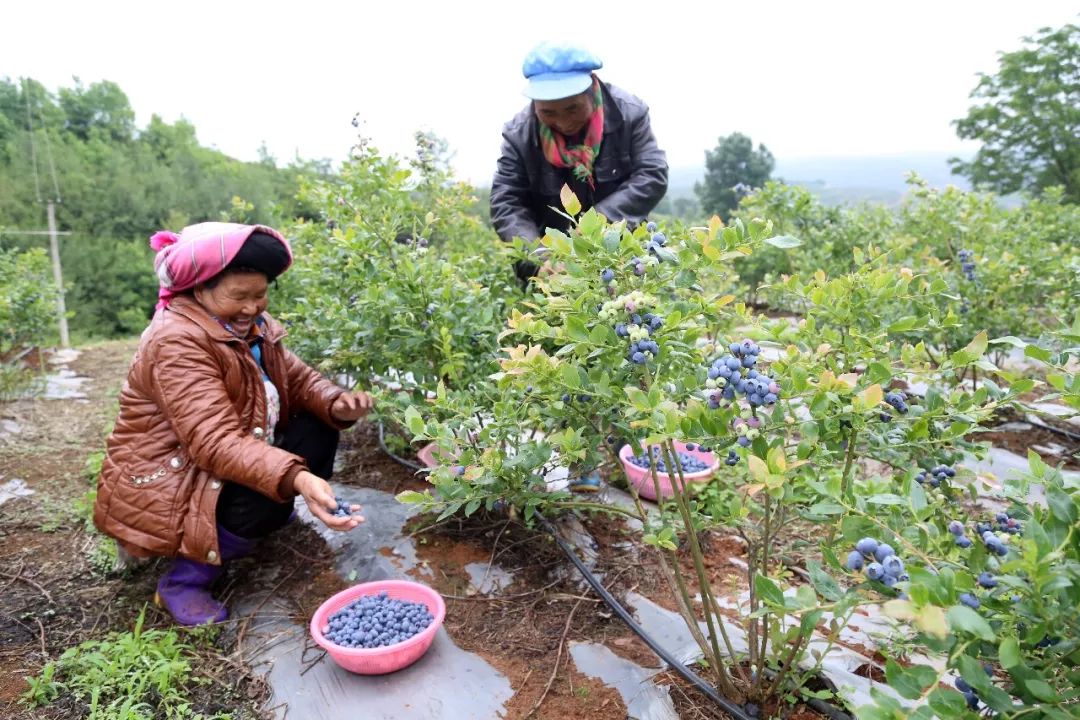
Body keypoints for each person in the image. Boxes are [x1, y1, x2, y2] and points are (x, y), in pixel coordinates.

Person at [93, 222, 374, 626]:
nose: (251, 307)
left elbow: (298, 380)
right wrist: (296, 479)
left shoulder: (249, 328)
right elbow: (215, 444)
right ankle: (185, 580)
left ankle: (260, 518)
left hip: (218, 457)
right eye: (238, 296)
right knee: (266, 489)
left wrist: (337, 403)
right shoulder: (176, 341)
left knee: (315, 428)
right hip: (172, 478)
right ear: (199, 289)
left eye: (259, 295)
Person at [490, 41, 669, 286]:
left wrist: (590, 229)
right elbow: (507, 201)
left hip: (620, 254)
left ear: (592, 87)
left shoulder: (629, 114)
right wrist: (539, 258)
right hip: (553, 267)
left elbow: (652, 174)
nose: (563, 122)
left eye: (572, 108)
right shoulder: (519, 134)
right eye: (548, 113)